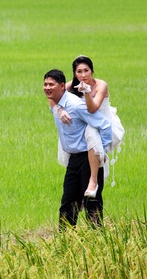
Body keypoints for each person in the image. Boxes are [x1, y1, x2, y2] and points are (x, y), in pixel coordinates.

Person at [43, 69, 112, 229]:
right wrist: (59, 110)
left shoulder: (76, 105)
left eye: (51, 84)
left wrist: (103, 151)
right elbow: (51, 103)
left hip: (88, 159)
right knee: (68, 203)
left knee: (91, 203)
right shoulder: (57, 104)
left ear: (62, 86)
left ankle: (98, 242)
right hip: (73, 160)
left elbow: (105, 125)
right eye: (45, 84)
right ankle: (65, 243)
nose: (47, 88)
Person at [51, 55, 124, 198]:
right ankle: (77, 193)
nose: (83, 75)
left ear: (92, 71)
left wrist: (86, 93)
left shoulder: (101, 85)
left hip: (101, 124)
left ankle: (93, 181)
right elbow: (52, 97)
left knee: (92, 132)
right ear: (74, 73)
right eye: (79, 71)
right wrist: (60, 110)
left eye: (86, 70)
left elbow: (93, 109)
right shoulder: (71, 85)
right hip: (82, 125)